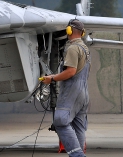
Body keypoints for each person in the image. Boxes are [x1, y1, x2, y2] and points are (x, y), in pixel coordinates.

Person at [42, 19, 90, 157]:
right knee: (78, 126)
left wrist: (52, 78)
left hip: (72, 90)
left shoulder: (73, 48)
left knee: (61, 122)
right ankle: (78, 153)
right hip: (83, 92)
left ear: (68, 30)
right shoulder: (84, 48)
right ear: (83, 32)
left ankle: (78, 156)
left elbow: (70, 72)